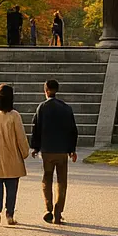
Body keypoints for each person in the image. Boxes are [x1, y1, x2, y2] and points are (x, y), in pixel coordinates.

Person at [30, 78, 78, 224]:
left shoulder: (42, 107)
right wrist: (72, 150)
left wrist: (35, 147)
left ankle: (48, 208)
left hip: (47, 151)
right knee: (62, 181)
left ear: (45, 90)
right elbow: (73, 130)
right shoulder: (66, 108)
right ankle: (58, 212)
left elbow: (36, 128)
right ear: (57, 90)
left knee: (47, 178)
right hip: (62, 151)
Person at [0, 84, 29, 225]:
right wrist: (25, 152)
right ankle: (9, 214)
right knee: (12, 188)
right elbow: (21, 137)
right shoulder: (15, 115)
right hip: (12, 157)